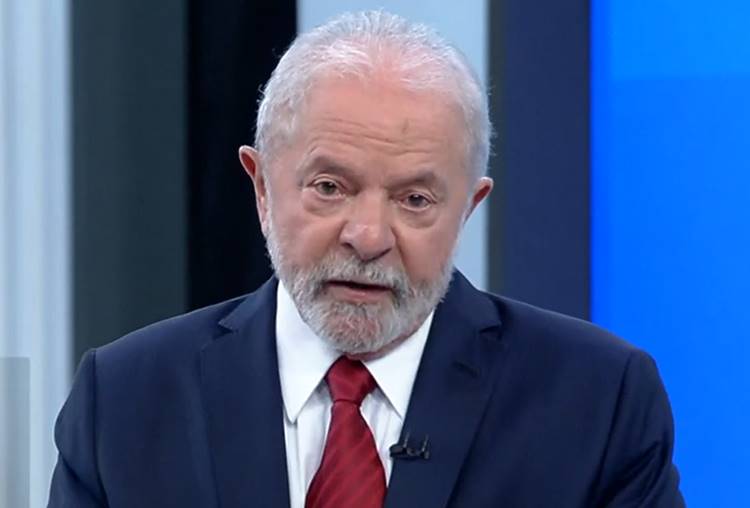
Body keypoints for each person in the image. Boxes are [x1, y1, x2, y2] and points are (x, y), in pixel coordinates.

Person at [48, 10, 684, 508]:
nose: (368, 235)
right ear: (262, 188)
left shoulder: (597, 401)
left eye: (415, 200)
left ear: (468, 209)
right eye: (330, 187)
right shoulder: (126, 399)